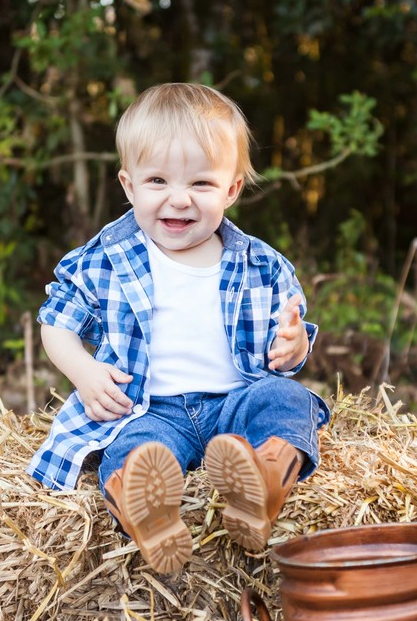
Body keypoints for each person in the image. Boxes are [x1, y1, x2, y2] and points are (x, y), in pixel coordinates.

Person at [26, 82, 330, 573]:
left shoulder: (263, 265)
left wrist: (291, 347)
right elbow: (55, 323)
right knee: (133, 451)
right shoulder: (106, 258)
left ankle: (262, 481)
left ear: (231, 189)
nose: (179, 200)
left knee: (287, 400)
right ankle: (150, 512)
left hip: (235, 402)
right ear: (129, 186)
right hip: (149, 410)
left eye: (202, 184)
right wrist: (84, 372)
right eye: (158, 182)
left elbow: (290, 351)